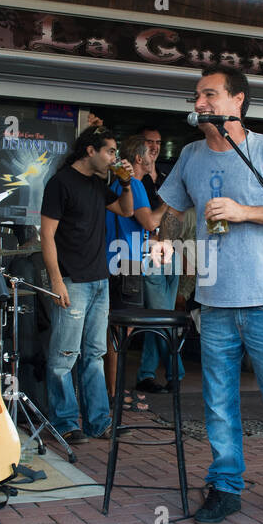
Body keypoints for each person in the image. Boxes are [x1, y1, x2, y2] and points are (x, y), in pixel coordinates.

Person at [157, 67, 263, 524]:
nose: (200, 102)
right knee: (218, 402)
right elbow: (170, 213)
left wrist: (244, 211)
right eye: (197, 95)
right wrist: (163, 238)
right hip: (213, 304)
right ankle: (226, 486)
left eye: (210, 94)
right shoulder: (190, 155)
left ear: (238, 101)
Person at [40, 125, 136, 444]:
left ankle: (97, 421)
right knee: (64, 356)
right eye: (110, 151)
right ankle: (64, 422)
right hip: (72, 280)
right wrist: (56, 280)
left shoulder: (98, 183)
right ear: (90, 151)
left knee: (94, 353)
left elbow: (127, 210)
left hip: (99, 280)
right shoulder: (60, 183)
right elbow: (47, 235)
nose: (114, 157)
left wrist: (125, 182)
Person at [103, 134, 155, 409]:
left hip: (112, 260)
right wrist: (171, 203)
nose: (154, 155)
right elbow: (148, 221)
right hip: (128, 263)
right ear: (138, 158)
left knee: (113, 333)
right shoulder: (134, 184)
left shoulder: (117, 184)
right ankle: (115, 394)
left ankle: (113, 392)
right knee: (121, 335)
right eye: (151, 151)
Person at [136, 126, 186, 392]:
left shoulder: (165, 176)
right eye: (149, 142)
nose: (154, 146)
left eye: (158, 142)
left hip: (171, 251)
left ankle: (147, 374)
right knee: (161, 317)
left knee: (163, 316)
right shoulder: (136, 179)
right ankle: (174, 374)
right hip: (148, 253)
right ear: (139, 148)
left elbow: (176, 216)